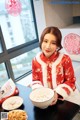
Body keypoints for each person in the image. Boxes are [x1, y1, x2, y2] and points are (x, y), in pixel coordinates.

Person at [31, 26, 76, 105]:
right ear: (41, 41)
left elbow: (71, 81)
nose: (48, 46)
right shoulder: (35, 60)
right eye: (45, 41)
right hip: (43, 99)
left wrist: (57, 93)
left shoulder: (65, 59)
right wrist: (42, 94)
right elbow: (35, 80)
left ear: (58, 45)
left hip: (63, 98)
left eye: (53, 43)